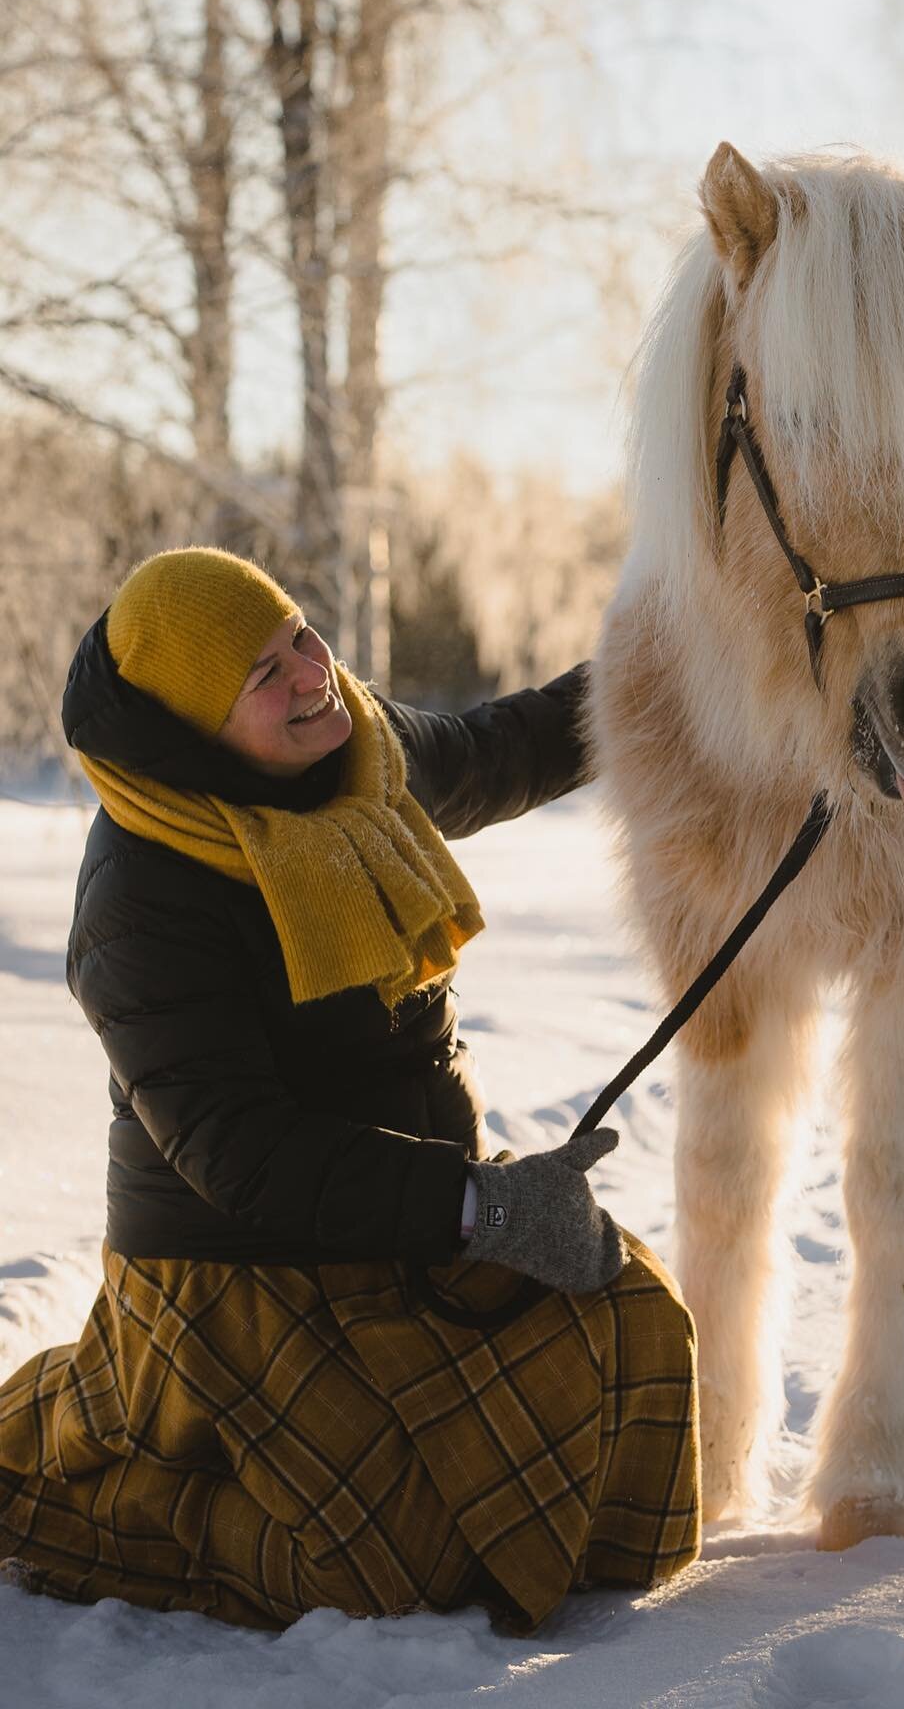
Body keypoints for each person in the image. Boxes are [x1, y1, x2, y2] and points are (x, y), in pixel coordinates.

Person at [0, 546, 699, 1631]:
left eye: (298, 636)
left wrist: (674, 653)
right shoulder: (142, 895)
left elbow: (502, 748)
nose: (309, 672)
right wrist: (488, 1207)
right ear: (194, 725)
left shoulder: (358, 753)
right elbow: (244, 1154)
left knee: (634, 1330)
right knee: (379, 1563)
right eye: (262, 674)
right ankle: (73, 1474)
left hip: (400, 1217)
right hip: (233, 1271)